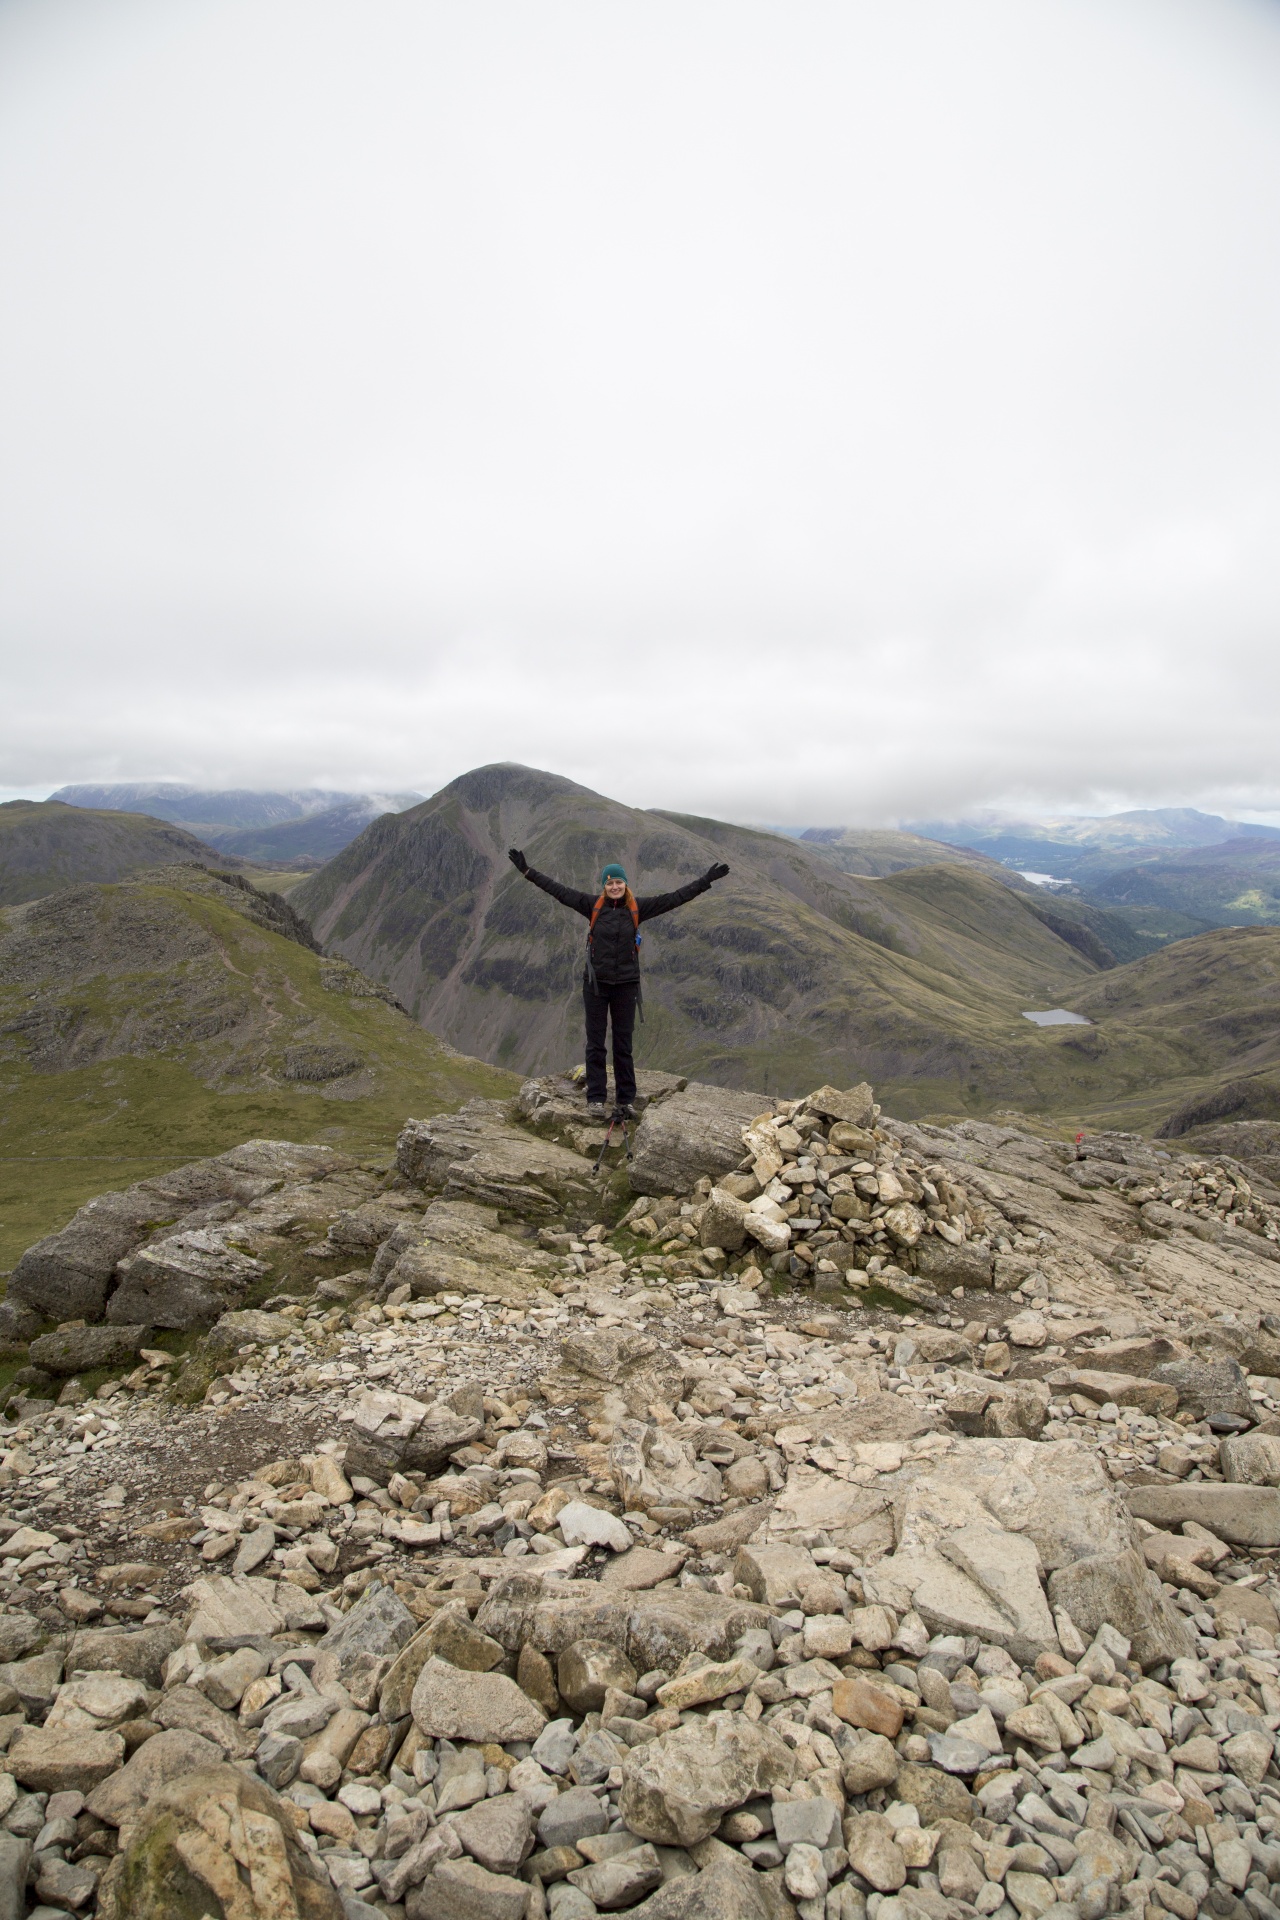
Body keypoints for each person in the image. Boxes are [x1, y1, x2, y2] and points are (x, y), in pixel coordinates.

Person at [507, 848, 730, 1119]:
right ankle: (597, 1099)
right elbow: (558, 890)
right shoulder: (592, 905)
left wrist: (706, 880)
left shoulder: (638, 908)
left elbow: (676, 898)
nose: (614, 886)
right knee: (596, 1042)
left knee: (623, 1044)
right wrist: (527, 871)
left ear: (626, 884)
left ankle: (625, 1100)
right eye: (610, 882)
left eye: (618, 882)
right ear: (604, 886)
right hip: (596, 985)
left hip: (626, 985)